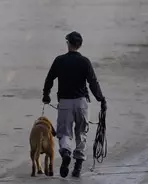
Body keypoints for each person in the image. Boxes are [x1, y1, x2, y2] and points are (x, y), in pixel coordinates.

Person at [42, 31, 107, 178]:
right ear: (80, 45)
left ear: (68, 43)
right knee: (81, 133)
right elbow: (92, 83)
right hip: (81, 103)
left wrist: (46, 96)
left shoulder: (59, 60)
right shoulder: (85, 61)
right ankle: (77, 166)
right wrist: (101, 99)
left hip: (65, 102)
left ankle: (66, 152)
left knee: (64, 133)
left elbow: (49, 79)